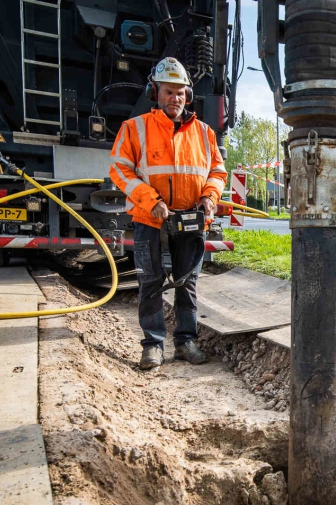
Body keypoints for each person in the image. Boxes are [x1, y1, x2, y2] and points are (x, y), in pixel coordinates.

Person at [109, 57, 227, 369]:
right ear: (155, 93)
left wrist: (209, 197)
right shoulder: (134, 128)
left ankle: (186, 341)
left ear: (188, 95)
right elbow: (120, 169)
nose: (175, 98)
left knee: (187, 283)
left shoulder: (204, 132)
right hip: (151, 219)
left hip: (191, 221)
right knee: (151, 282)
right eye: (168, 92)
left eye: (180, 93)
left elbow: (217, 172)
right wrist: (151, 201)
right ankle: (153, 345)